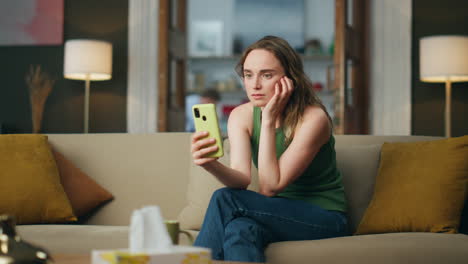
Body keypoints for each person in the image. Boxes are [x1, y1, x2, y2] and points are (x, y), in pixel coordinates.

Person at [190, 36, 348, 263]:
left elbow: (270, 187)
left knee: (224, 199)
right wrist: (210, 164)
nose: (254, 85)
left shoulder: (314, 119)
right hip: (275, 214)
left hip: (325, 218)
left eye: (267, 75)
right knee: (239, 229)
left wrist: (267, 121)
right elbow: (242, 180)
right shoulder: (241, 116)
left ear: (289, 79)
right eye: (248, 74)